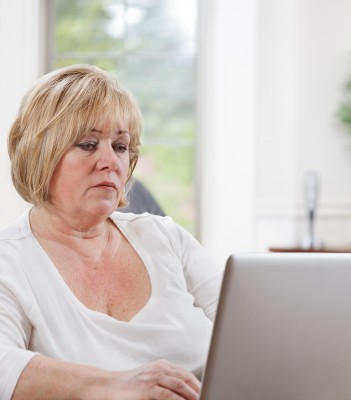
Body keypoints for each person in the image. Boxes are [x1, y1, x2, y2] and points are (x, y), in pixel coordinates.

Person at [0, 64, 223, 399]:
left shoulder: (165, 237)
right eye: (88, 144)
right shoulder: (10, 259)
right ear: (40, 152)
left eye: (120, 146)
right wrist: (115, 384)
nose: (110, 161)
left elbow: (248, 325)